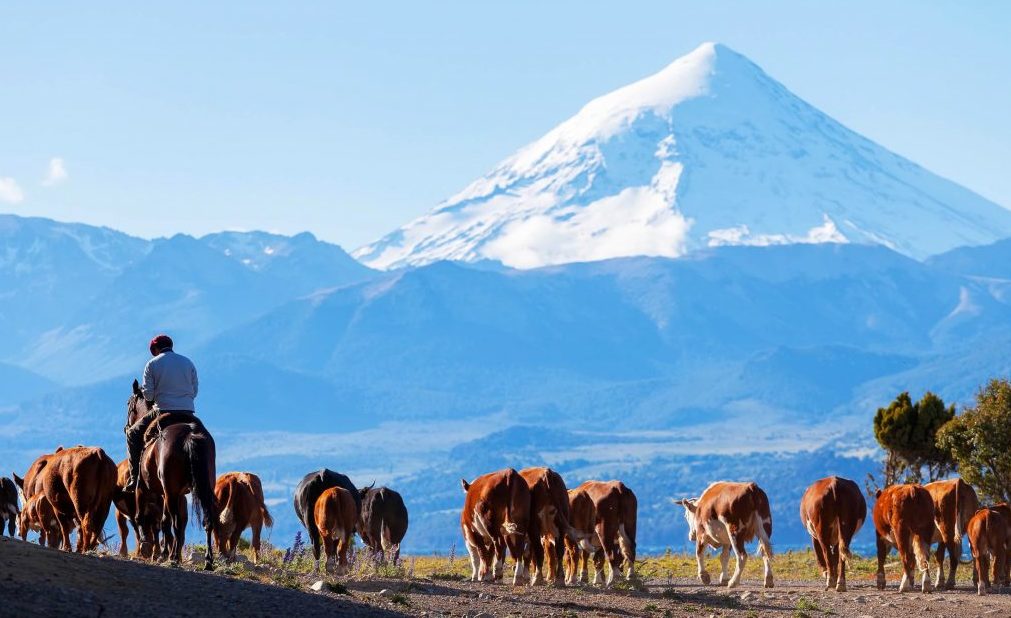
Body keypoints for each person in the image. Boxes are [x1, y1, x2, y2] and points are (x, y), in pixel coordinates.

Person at [124, 334, 200, 490]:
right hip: (188, 412)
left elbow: (149, 396)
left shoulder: (152, 364)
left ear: (155, 349)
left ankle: (134, 477)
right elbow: (194, 391)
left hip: (163, 411)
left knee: (132, 433)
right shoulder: (188, 363)